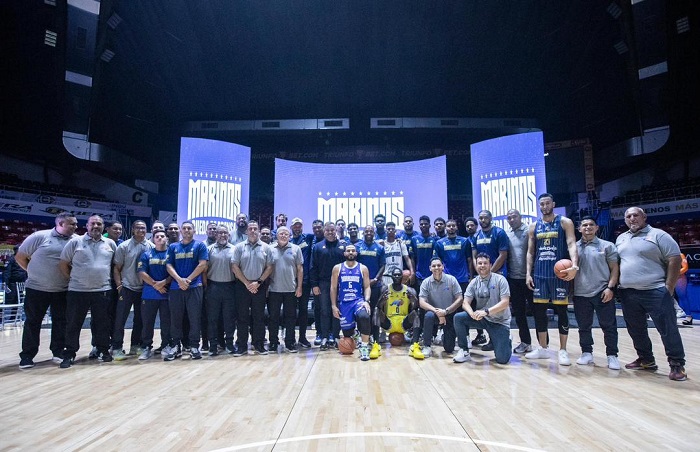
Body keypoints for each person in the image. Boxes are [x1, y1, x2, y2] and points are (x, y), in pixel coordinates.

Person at [615, 207, 687, 381]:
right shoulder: (621, 238)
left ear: (644, 217)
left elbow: (675, 259)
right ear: (625, 220)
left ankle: (677, 364)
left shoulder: (659, 235)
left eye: (636, 215)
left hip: (655, 290)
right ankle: (646, 359)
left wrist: (669, 287)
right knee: (636, 329)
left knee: (667, 329)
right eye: (628, 216)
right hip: (628, 292)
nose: (632, 218)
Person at [16, 212, 77, 369]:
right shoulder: (39, 237)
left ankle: (58, 352)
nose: (75, 227)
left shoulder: (76, 240)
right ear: (61, 224)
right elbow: (20, 257)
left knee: (61, 322)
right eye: (72, 224)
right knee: (33, 322)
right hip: (36, 289)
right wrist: (33, 273)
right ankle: (27, 356)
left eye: (76, 224)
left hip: (62, 289)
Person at [525, 193, 579, 366]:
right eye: (542, 204)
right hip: (540, 274)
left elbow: (571, 243)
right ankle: (543, 348)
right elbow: (530, 252)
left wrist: (574, 265)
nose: (545, 206)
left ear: (553, 204)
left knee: (562, 312)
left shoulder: (565, 222)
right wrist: (528, 274)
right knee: (539, 313)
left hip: (559, 274)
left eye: (547, 203)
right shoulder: (534, 226)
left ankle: (563, 350)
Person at [58, 215, 117, 368]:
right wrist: (73, 279)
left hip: (102, 290)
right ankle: (70, 353)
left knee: (102, 323)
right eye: (93, 223)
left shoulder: (110, 243)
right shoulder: (75, 242)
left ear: (103, 227)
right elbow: (63, 264)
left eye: (99, 224)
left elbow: (114, 266)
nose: (96, 226)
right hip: (78, 291)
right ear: (87, 225)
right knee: (73, 323)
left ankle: (103, 350)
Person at [573, 216, 620, 369]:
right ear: (579, 229)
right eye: (584, 225)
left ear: (597, 228)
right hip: (580, 292)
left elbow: (615, 269)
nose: (588, 227)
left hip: (602, 291)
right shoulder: (573, 247)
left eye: (591, 225)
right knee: (583, 326)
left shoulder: (607, 245)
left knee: (609, 326)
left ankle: (612, 355)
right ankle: (586, 353)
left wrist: (610, 288)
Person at [453, 253, 512, 364]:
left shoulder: (500, 280)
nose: (482, 266)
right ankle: (464, 350)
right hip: (483, 319)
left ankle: (506, 339)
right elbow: (465, 303)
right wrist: (472, 313)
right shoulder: (474, 282)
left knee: (502, 360)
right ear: (476, 265)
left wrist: (486, 312)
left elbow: (505, 302)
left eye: (485, 263)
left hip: (499, 321)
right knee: (459, 318)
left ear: (490, 265)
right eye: (479, 263)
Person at [164, 220, 209, 361]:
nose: (187, 230)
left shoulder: (200, 246)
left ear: (194, 231)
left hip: (194, 287)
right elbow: (169, 265)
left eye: (189, 228)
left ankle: (194, 346)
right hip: (176, 288)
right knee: (176, 318)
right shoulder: (173, 247)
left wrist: (188, 280)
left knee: (194, 318)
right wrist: (179, 280)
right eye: (184, 228)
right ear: (181, 231)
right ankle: (176, 346)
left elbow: (202, 265)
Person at [231, 220, 274, 356]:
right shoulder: (239, 247)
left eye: (255, 228)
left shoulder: (266, 248)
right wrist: (247, 283)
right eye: (250, 229)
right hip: (242, 286)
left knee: (259, 317)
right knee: (242, 317)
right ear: (246, 231)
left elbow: (270, 267)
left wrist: (258, 282)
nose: (253, 231)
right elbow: (234, 266)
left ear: (259, 231)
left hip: (259, 286)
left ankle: (258, 344)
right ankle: (242, 346)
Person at [111, 220, 152, 360]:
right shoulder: (124, 246)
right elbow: (117, 268)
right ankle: (116, 347)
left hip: (144, 289)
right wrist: (119, 286)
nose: (141, 230)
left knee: (140, 320)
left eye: (143, 228)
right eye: (138, 228)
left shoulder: (151, 246)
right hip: (127, 288)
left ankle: (135, 345)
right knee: (120, 320)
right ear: (133, 230)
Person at [434, 219, 478, 345]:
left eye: (453, 225)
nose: (451, 227)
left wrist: (470, 277)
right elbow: (437, 263)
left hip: (463, 279)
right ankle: (445, 334)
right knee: (447, 308)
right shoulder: (439, 243)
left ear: (457, 227)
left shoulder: (465, 241)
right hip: (446, 281)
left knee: (463, 310)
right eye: (449, 226)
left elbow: (469, 260)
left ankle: (466, 336)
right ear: (446, 228)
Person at [330, 244, 373, 361]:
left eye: (353, 250)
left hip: (358, 301)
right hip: (344, 303)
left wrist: (366, 301)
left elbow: (367, 287)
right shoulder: (337, 268)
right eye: (348, 250)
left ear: (356, 253)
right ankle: (356, 335)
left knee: (364, 316)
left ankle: (364, 347)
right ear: (344, 253)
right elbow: (333, 288)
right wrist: (333, 306)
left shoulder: (363, 268)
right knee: (347, 335)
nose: (350, 252)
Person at [310, 222, 346, 350]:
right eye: (327, 230)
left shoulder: (343, 246)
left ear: (336, 231)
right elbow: (313, 267)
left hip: (340, 284)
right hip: (323, 283)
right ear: (324, 232)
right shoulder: (318, 247)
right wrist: (314, 284)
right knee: (324, 310)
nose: (330, 232)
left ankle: (335, 336)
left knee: (336, 310)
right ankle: (324, 336)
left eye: (332, 230)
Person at [418, 257, 463, 358]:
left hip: (449, 313)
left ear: (443, 267)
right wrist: (437, 312)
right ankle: (427, 346)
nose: (436, 268)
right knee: (428, 316)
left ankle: (443, 335)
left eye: (439, 265)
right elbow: (421, 302)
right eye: (434, 266)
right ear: (430, 268)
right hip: (434, 313)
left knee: (449, 349)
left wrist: (445, 311)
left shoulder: (451, 280)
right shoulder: (426, 282)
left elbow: (460, 299)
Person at [268, 226, 304, 353]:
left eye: (286, 234)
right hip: (273, 289)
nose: (283, 235)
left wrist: (299, 287)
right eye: (281, 233)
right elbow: (266, 268)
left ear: (289, 236)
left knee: (290, 318)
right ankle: (273, 342)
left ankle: (290, 342)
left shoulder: (296, 249)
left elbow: (300, 269)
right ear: (276, 235)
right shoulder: (270, 248)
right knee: (273, 318)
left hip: (291, 289)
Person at [137, 230, 172, 360]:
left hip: (166, 294)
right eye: (157, 236)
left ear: (166, 238)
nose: (160, 238)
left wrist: (164, 283)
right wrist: (155, 285)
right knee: (147, 323)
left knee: (166, 323)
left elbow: (174, 272)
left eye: (162, 236)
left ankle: (166, 345)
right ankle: (146, 347)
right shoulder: (146, 255)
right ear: (153, 239)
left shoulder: (171, 254)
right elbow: (142, 272)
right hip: (149, 294)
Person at [205, 225, 236, 355]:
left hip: (230, 287)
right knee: (212, 318)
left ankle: (229, 344)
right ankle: (213, 345)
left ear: (229, 235)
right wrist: (206, 287)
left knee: (229, 318)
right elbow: (204, 270)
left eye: (225, 233)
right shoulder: (209, 249)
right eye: (220, 233)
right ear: (216, 235)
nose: (222, 235)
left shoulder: (235, 249)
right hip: (213, 287)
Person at [355, 225, 386, 357]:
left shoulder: (379, 248)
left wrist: (376, 279)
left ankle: (374, 337)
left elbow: (383, 265)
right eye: (366, 231)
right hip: (360, 285)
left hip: (375, 285)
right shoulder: (357, 247)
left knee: (374, 312)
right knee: (361, 312)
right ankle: (361, 336)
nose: (368, 233)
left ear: (374, 233)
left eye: (371, 231)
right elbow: (354, 264)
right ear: (363, 233)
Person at [506, 209, 533, 354]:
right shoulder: (507, 234)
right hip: (513, 279)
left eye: (514, 217)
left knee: (537, 312)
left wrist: (530, 273)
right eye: (509, 218)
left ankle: (544, 345)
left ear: (520, 217)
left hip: (530, 278)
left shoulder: (529, 231)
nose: (512, 219)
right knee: (519, 313)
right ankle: (525, 342)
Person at [378, 267, 420, 358]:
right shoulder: (385, 289)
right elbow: (379, 307)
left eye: (399, 275)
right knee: (376, 312)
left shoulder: (410, 290)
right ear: (391, 276)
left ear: (402, 276)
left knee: (416, 313)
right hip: (388, 322)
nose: (397, 276)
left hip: (403, 323)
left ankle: (415, 346)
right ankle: (376, 344)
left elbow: (415, 308)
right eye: (395, 275)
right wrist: (381, 302)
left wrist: (414, 301)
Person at [290, 217, 313, 348]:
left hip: (305, 281)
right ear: (291, 227)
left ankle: (302, 337)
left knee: (303, 311)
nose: (297, 228)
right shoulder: (287, 240)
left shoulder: (308, 238)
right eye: (295, 226)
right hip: (290, 281)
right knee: (291, 311)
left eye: (299, 226)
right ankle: (291, 337)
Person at [382, 222, 414, 287]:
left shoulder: (400, 243)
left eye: (392, 229)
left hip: (398, 276)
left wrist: (412, 272)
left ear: (395, 231)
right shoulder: (382, 245)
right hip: (386, 276)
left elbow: (407, 259)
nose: (390, 230)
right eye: (388, 229)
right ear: (385, 230)